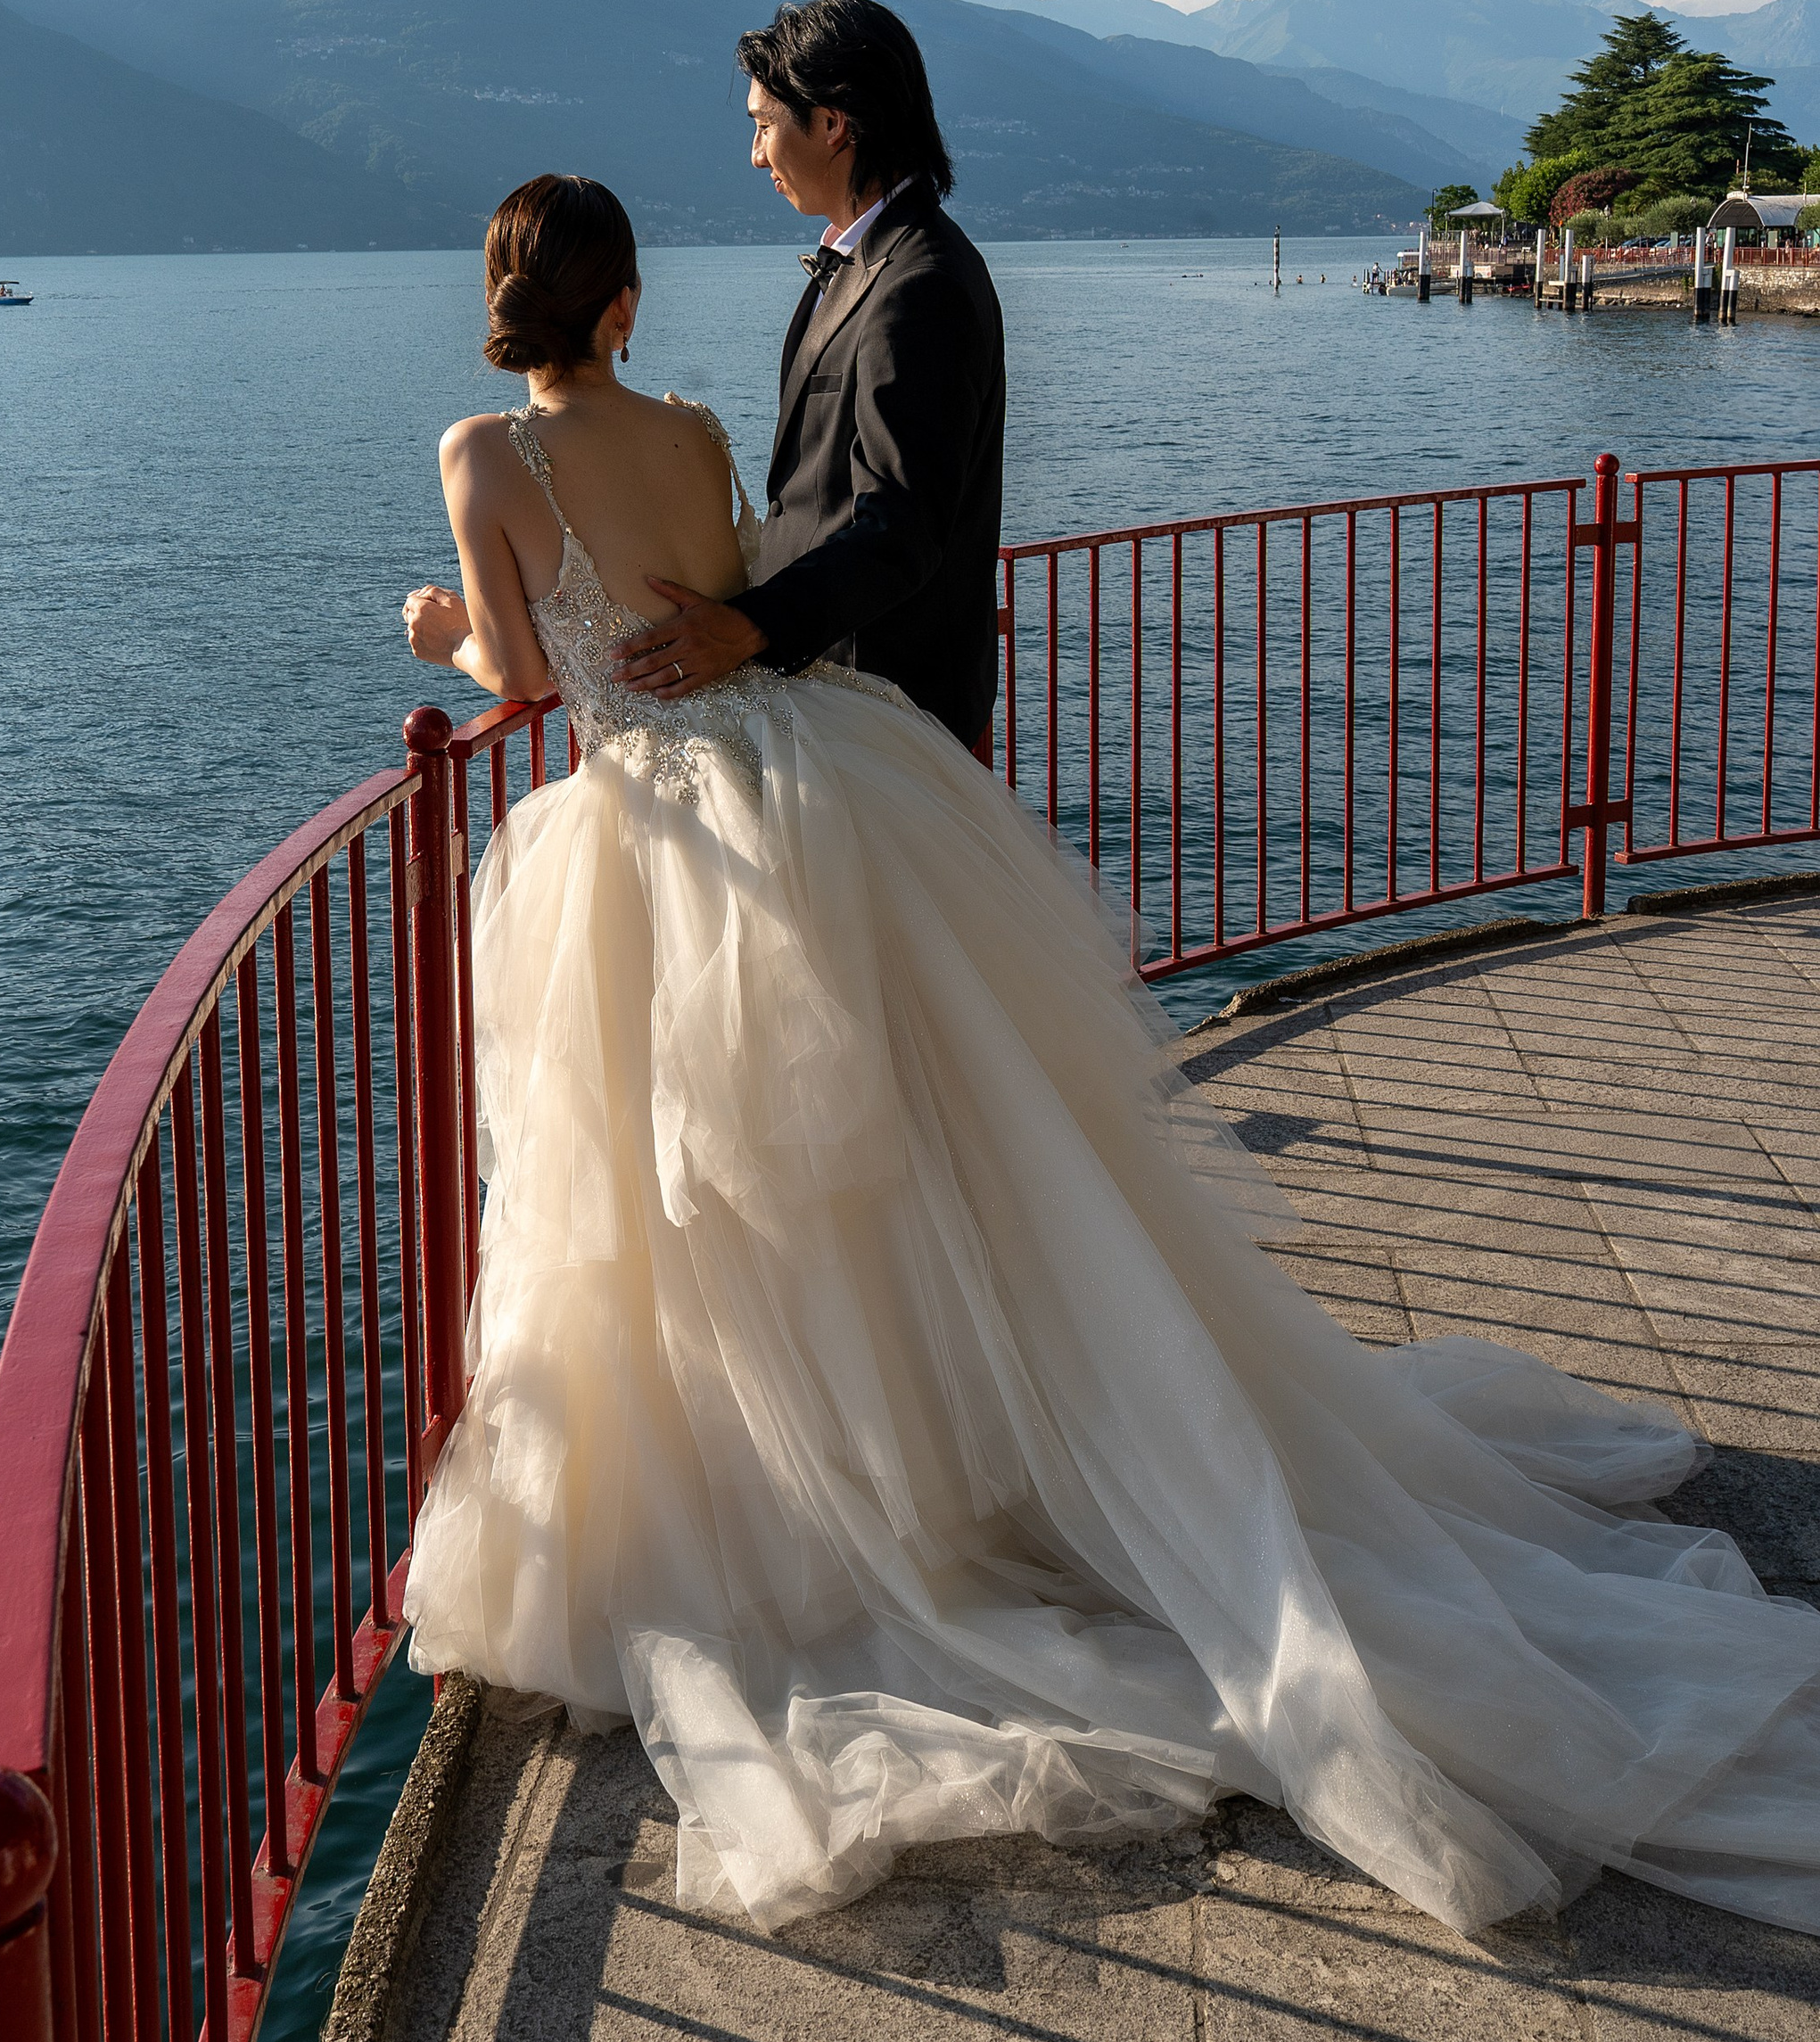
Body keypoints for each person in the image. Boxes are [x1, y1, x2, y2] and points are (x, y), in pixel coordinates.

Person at [398, 160, 1820, 1947]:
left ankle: (810, 1497)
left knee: (703, 1186)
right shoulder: (684, 421)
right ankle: (955, 1450)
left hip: (656, 834)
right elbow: (718, 590)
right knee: (893, 1152)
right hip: (813, 783)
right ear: (618, 302)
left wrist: (438, 628)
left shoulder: (479, 461)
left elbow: (531, 690)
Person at [597, 0, 1005, 747]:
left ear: (830, 122)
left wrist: (749, 626)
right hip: (843, 699)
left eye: (762, 124)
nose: (756, 155)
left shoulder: (921, 285)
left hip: (886, 716)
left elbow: (899, 524)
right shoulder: (876, 262)